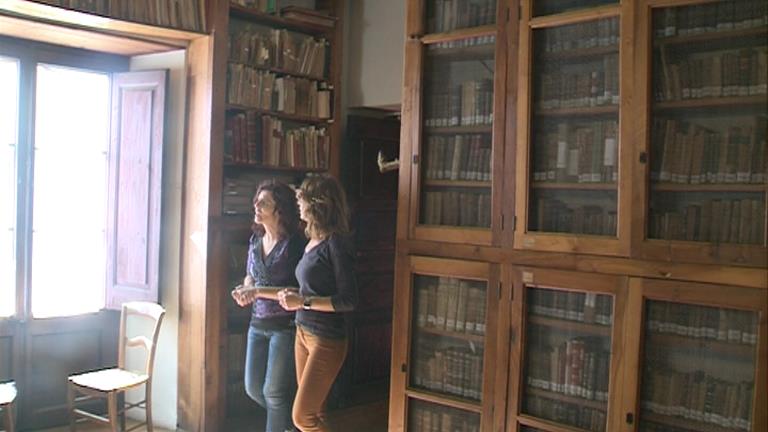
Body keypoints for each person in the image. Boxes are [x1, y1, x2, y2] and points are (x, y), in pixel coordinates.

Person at [277, 174, 358, 432]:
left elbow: (348, 300)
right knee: (316, 412)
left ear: (317, 204)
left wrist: (303, 301)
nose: (298, 204)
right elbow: (309, 288)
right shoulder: (311, 241)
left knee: (302, 416)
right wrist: (258, 291)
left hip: (327, 339)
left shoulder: (336, 244)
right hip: (302, 332)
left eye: (302, 199)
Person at [231, 180, 306, 432]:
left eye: (264, 202)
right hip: (257, 323)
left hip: (284, 327)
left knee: (273, 392)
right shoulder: (255, 239)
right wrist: (246, 289)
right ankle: (291, 425)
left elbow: (298, 290)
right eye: (257, 201)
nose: (256, 205)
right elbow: (250, 274)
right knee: (253, 389)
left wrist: (257, 291)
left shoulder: (294, 244)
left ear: (280, 209)